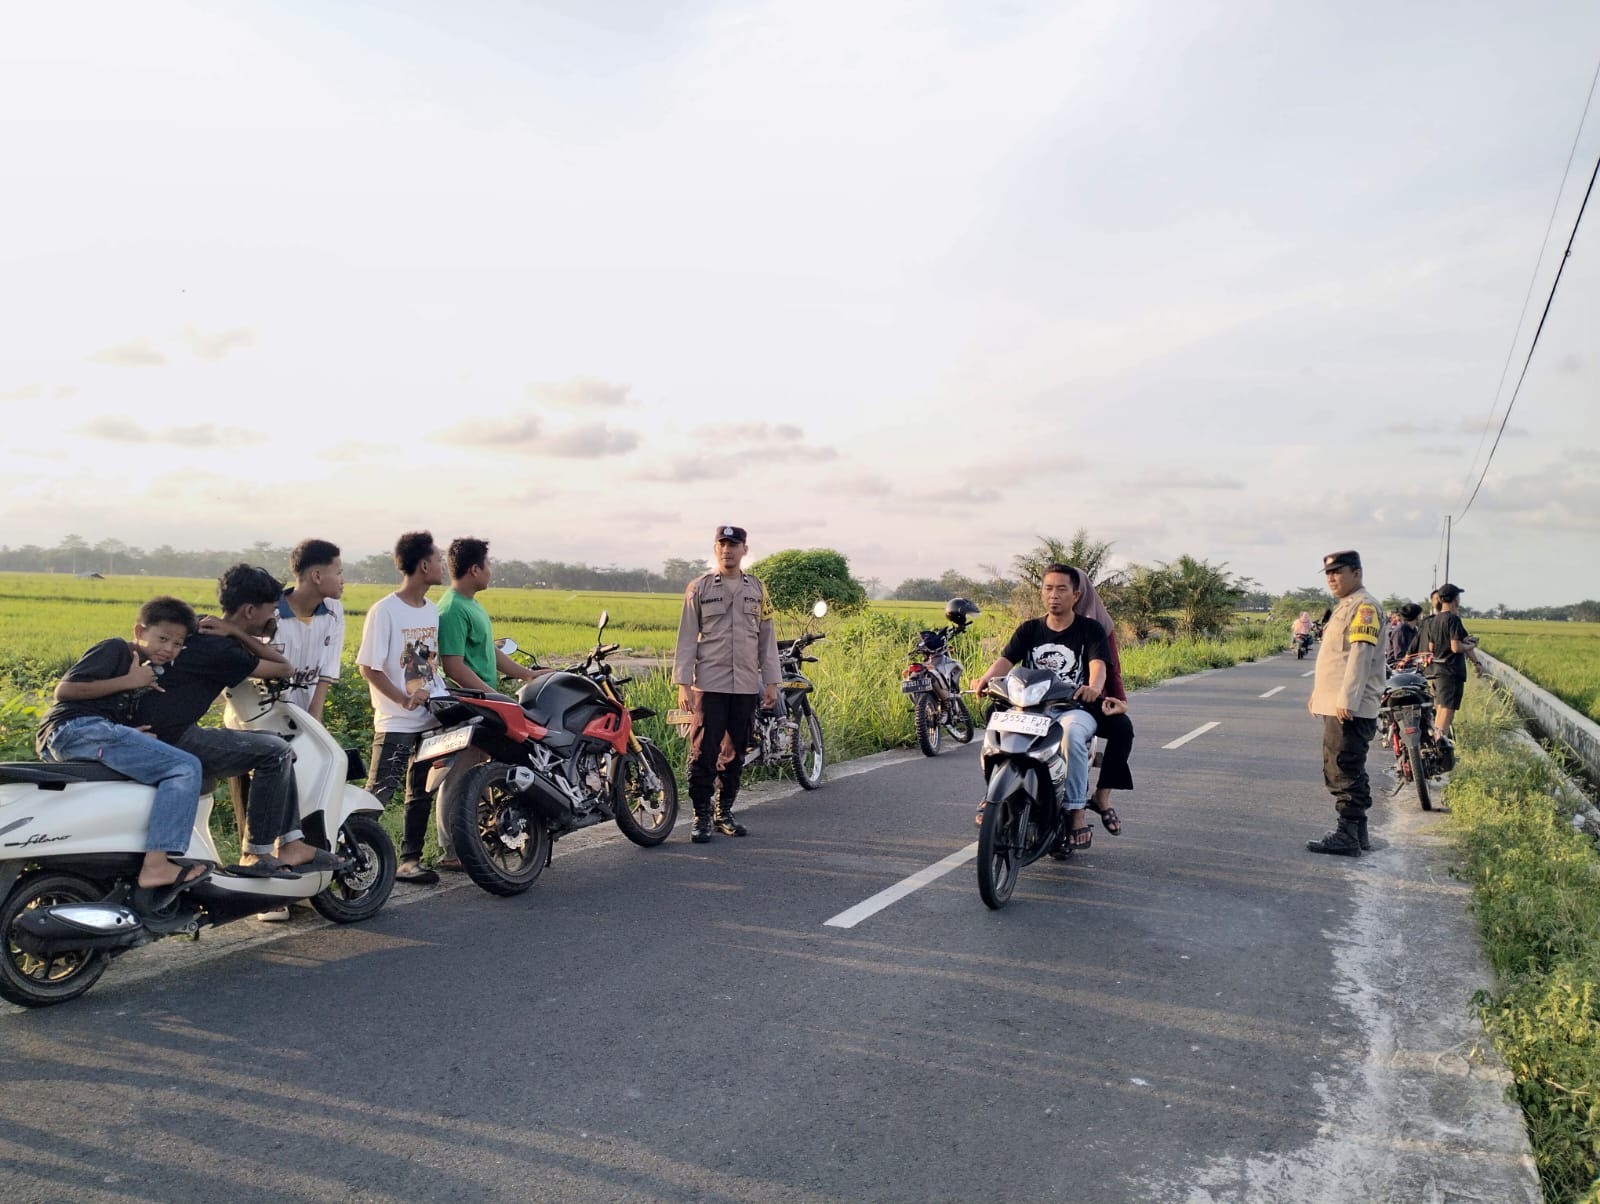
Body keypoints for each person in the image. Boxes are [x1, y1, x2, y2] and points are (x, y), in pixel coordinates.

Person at [131, 565, 339, 877]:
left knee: (275, 749)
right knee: (276, 751)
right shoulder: (222, 647)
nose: (275, 617)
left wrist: (233, 632)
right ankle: (258, 853)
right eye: (271, 610)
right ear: (250, 611)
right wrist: (236, 633)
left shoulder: (199, 627)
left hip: (153, 727)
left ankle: (292, 843)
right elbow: (284, 668)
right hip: (175, 736)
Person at [35, 596, 210, 891]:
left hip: (81, 734)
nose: (168, 648)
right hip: (76, 728)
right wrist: (131, 682)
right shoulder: (116, 648)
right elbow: (64, 691)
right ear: (140, 632)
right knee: (185, 767)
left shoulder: (145, 668)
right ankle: (156, 865)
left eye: (177, 644)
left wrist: (131, 733)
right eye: (162, 638)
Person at [973, 564, 1108, 854]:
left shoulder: (1089, 629)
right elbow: (1006, 661)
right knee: (996, 726)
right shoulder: (1030, 629)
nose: (1054, 595)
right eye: (1048, 588)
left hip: (1071, 708)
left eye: (1061, 589)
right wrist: (986, 678)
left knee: (1071, 735)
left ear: (1076, 595)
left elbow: (1098, 667)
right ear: (1041, 593)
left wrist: (1093, 688)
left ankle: (1075, 813)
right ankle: (992, 793)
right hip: (1031, 709)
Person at [672, 525, 780, 843]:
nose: (727, 550)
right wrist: (683, 683)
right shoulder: (699, 588)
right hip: (710, 683)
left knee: (736, 752)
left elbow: (767, 639)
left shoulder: (758, 590)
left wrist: (772, 682)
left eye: (734, 545)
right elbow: (687, 637)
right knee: (703, 752)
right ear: (715, 548)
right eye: (722, 544)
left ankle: (724, 812)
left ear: (745, 549)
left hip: (745, 684)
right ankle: (701, 816)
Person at [356, 531, 450, 884]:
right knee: (380, 791)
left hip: (428, 717)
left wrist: (431, 694)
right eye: (438, 560)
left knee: (421, 792)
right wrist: (403, 698)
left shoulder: (430, 611)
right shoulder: (385, 611)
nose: (442, 566)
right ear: (423, 566)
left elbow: (424, 661)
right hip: (396, 719)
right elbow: (368, 666)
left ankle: (409, 860)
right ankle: (354, 862)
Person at [1305, 550, 1386, 857]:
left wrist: (1347, 700)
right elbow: (1334, 660)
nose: (1332, 579)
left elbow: (1360, 656)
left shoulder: (1364, 608)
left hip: (1348, 707)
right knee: (1344, 765)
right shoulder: (1345, 608)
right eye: (1328, 574)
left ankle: (1347, 835)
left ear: (1357, 573)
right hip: (1337, 703)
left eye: (1338, 572)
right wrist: (1319, 694)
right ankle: (1358, 833)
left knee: (1343, 768)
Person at [438, 537, 538, 696]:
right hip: (475, 703)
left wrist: (528, 674)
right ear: (475, 570)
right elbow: (454, 669)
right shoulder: (452, 610)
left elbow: (489, 650)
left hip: (487, 699)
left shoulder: (470, 603)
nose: (490, 571)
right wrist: (496, 698)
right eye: (488, 565)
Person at [270, 538, 346, 720]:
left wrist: (314, 721)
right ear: (317, 576)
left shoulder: (334, 610)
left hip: (303, 718)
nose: (342, 581)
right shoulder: (270, 614)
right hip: (265, 718)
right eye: (338, 573)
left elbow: (327, 670)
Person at [1418, 583, 1473, 743]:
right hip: (1451, 670)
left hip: (1438, 670)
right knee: (1447, 711)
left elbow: (1431, 647)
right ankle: (1440, 745)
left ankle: (1434, 743)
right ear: (1455, 599)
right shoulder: (1453, 619)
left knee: (1440, 707)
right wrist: (1470, 645)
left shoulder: (1434, 620)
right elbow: (1456, 647)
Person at [1385, 602, 1423, 670]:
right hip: (1397, 668)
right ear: (1416, 616)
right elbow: (1399, 656)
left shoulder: (1414, 630)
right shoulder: (1400, 631)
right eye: (1420, 615)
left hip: (1410, 665)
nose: (1421, 617)